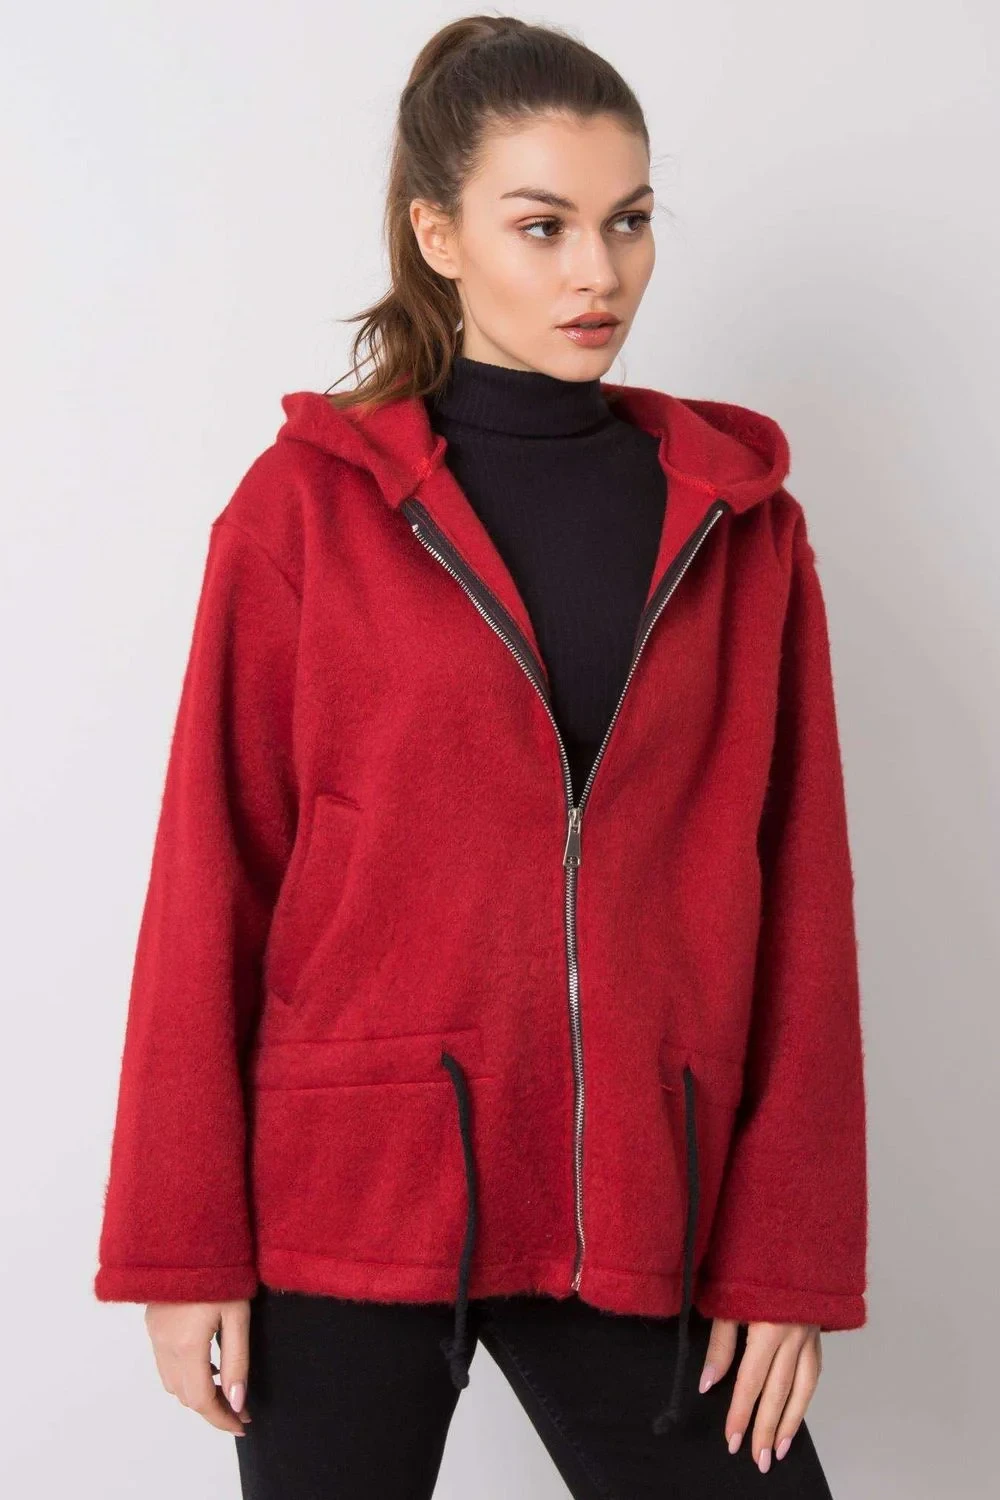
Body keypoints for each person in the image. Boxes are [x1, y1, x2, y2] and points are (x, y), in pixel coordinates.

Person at [93, 14, 868, 1498]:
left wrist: (790, 1252)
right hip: (352, 1199)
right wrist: (178, 1246)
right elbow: (212, 873)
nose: (599, 273)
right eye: (545, 225)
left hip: (644, 1188)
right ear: (436, 235)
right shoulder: (304, 511)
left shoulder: (741, 527)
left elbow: (802, 907)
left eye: (629, 221)